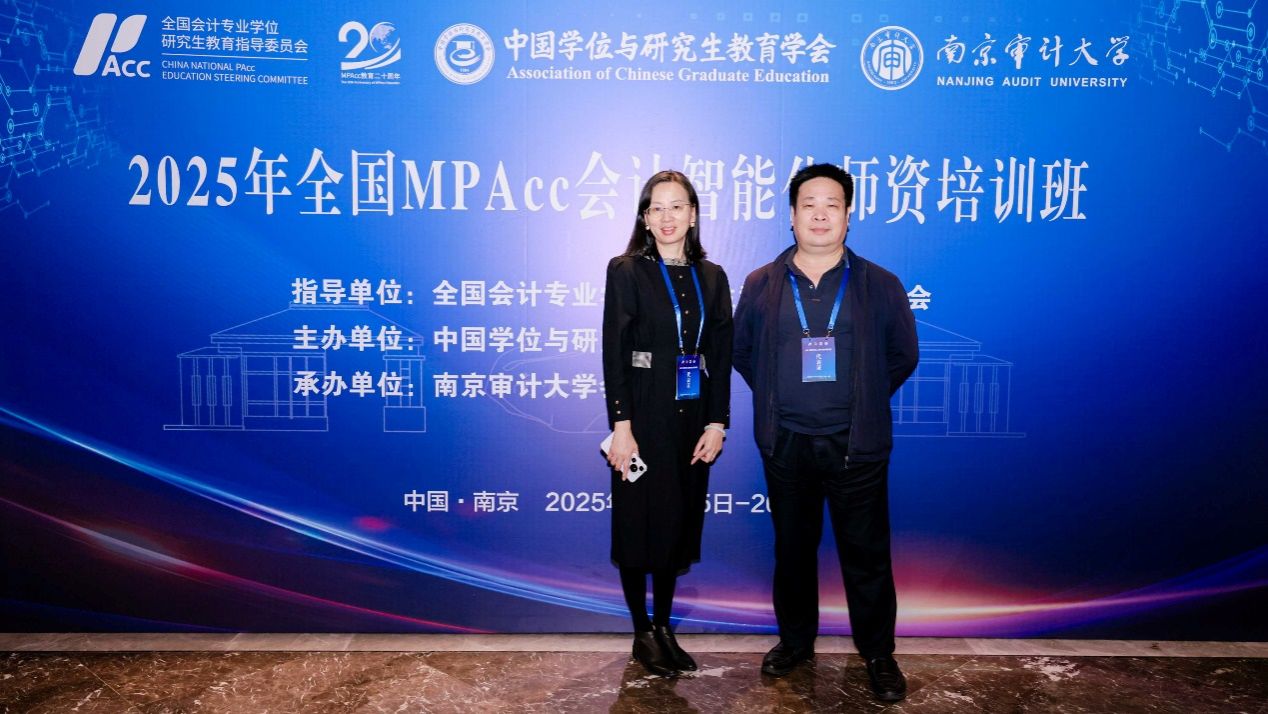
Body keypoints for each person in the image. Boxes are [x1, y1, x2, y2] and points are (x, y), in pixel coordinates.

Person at [733, 163, 918, 701]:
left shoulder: (880, 284)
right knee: (792, 551)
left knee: (866, 555)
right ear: (791, 216)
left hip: (855, 445)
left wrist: (861, 398)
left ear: (848, 215)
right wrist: (779, 396)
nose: (820, 214)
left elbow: (903, 355)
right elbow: (743, 353)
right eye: (808, 204)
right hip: (787, 441)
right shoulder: (761, 284)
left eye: (831, 204)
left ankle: (878, 654)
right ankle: (795, 642)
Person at [602, 170, 733, 677]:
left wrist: (718, 422)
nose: (667, 217)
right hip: (643, 415)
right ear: (644, 217)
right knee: (638, 525)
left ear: (693, 214)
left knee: (676, 525)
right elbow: (615, 351)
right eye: (656, 208)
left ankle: (663, 628)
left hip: (691, 417)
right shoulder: (627, 271)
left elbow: (720, 355)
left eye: (677, 206)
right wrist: (622, 425)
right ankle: (642, 632)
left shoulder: (712, 277)